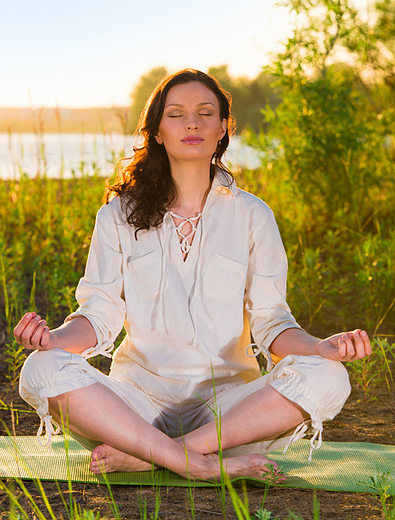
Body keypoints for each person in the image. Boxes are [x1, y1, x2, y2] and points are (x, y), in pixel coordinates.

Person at [14, 69, 372, 481]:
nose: (192, 122)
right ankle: (195, 464)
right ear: (157, 132)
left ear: (222, 129)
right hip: (134, 407)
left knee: (329, 374)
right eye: (176, 114)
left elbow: (272, 323)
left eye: (206, 113)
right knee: (40, 368)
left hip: (230, 415)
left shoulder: (253, 215)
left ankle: (165, 455)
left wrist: (319, 347)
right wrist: (53, 340)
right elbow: (98, 313)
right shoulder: (118, 214)